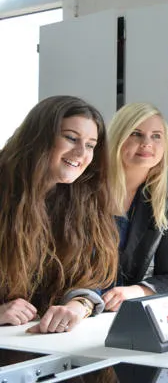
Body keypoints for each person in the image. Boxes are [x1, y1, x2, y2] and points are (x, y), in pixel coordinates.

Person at [0, 95, 119, 334]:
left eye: (90, 145)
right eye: (71, 138)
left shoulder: (84, 202)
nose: (80, 152)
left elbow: (90, 278)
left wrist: (79, 305)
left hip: (36, 343)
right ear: (38, 138)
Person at [101, 103, 168, 311]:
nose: (147, 143)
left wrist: (136, 291)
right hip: (61, 308)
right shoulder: (83, 192)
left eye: (156, 136)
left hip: (112, 313)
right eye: (136, 134)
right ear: (117, 139)